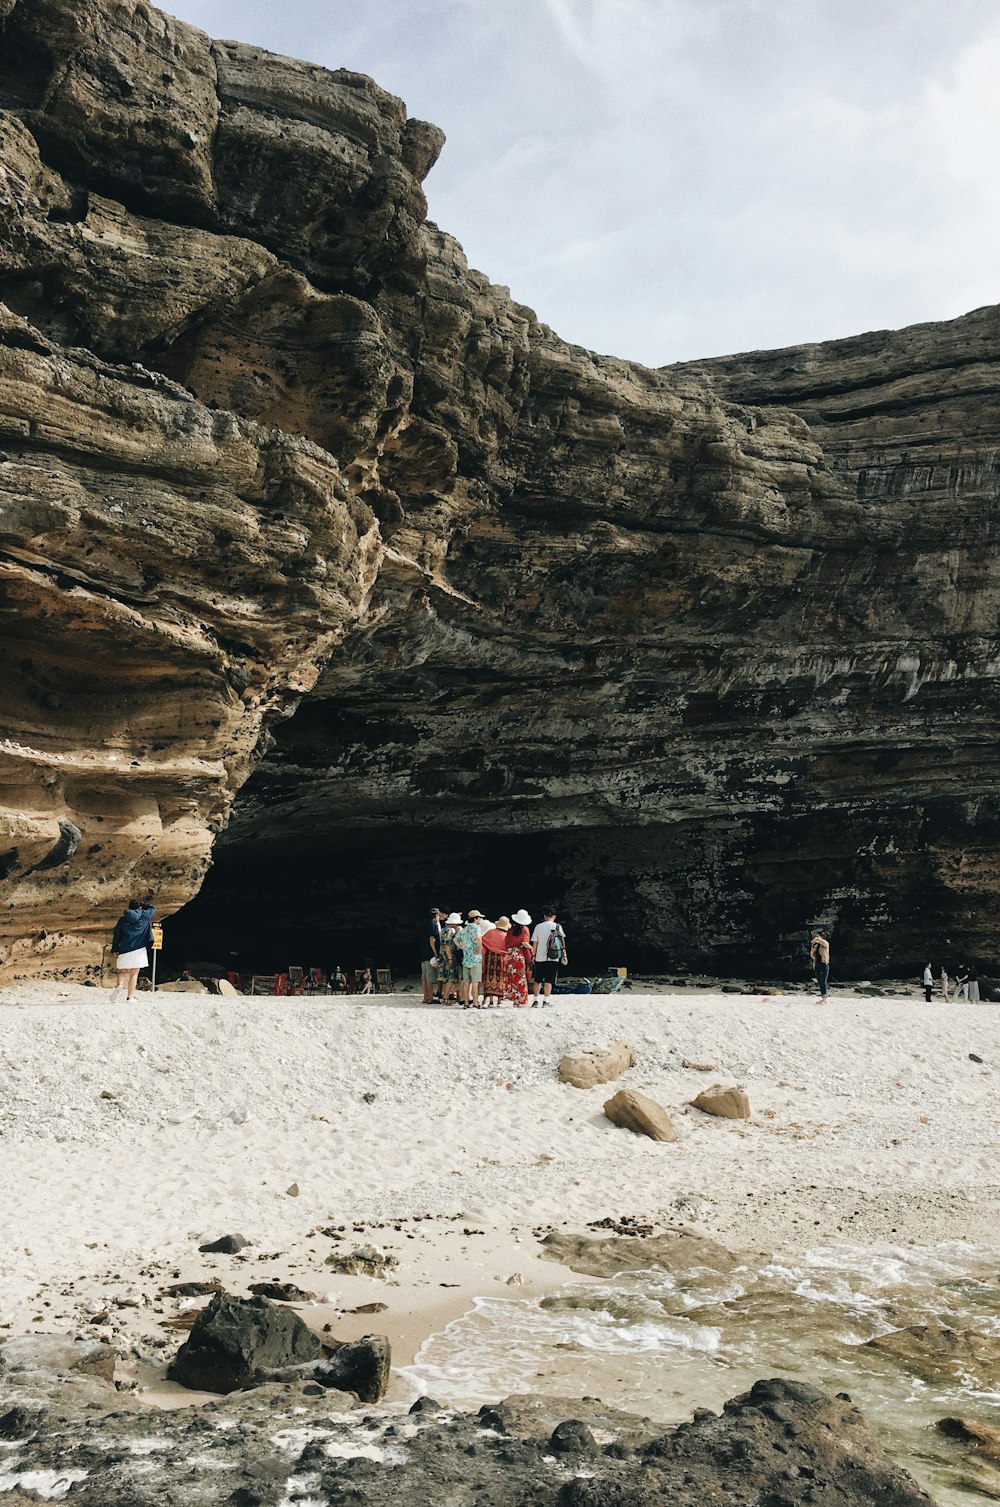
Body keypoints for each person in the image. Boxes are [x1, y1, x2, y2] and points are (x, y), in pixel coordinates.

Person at [111, 898, 156, 1002]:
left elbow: (117, 935)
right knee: (134, 973)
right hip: (139, 950)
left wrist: (115, 949)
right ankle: (130, 997)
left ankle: (120, 985)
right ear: (140, 907)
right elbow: (153, 908)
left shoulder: (123, 919)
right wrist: (142, 904)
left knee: (121, 970)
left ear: (129, 907)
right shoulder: (144, 916)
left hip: (124, 949)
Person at [530, 907, 568, 1004]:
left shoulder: (538, 927)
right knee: (549, 980)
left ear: (544, 916)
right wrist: (564, 956)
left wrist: (533, 956)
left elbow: (535, 943)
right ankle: (546, 1000)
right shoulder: (558, 927)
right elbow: (562, 943)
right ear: (554, 917)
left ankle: (535, 1000)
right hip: (553, 957)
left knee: (537, 980)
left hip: (539, 957)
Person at [453, 911, 484, 1008]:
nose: (480, 919)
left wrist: (462, 947)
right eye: (479, 918)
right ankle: (475, 1002)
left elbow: (455, 939)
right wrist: (479, 948)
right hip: (475, 958)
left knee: (466, 982)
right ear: (475, 919)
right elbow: (478, 938)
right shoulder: (477, 928)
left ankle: (466, 1002)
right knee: (475, 982)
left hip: (466, 959)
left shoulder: (464, 929)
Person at [503, 910, 533, 1008]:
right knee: (521, 978)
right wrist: (531, 948)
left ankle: (514, 1000)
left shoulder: (511, 930)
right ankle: (521, 1000)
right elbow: (524, 943)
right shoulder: (525, 929)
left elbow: (506, 942)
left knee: (512, 977)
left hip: (511, 955)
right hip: (519, 955)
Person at [481, 916, 511, 1007]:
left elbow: (483, 941)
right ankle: (499, 1000)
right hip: (501, 958)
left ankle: (488, 1000)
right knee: (501, 977)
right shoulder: (506, 935)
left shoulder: (490, 932)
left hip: (490, 957)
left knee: (489, 977)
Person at [438, 913, 462, 1004]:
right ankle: (446, 997)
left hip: (443, 956)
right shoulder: (450, 930)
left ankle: (446, 996)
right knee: (451, 977)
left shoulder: (443, 930)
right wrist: (450, 958)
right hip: (450, 956)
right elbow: (447, 945)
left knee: (446, 977)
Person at [422, 907, 443, 1004]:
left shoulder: (424, 924)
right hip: (430, 954)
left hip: (423, 953)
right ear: (437, 916)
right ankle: (430, 998)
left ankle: (425, 997)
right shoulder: (433, 924)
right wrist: (435, 952)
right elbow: (432, 939)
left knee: (425, 977)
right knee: (430, 977)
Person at [809, 930, 830, 1003]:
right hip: (817, 964)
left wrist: (817, 939)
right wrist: (813, 947)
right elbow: (812, 955)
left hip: (824, 964)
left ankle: (824, 998)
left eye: (818, 936)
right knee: (820, 981)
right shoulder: (816, 945)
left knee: (823, 981)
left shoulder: (825, 944)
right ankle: (823, 997)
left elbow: (821, 941)